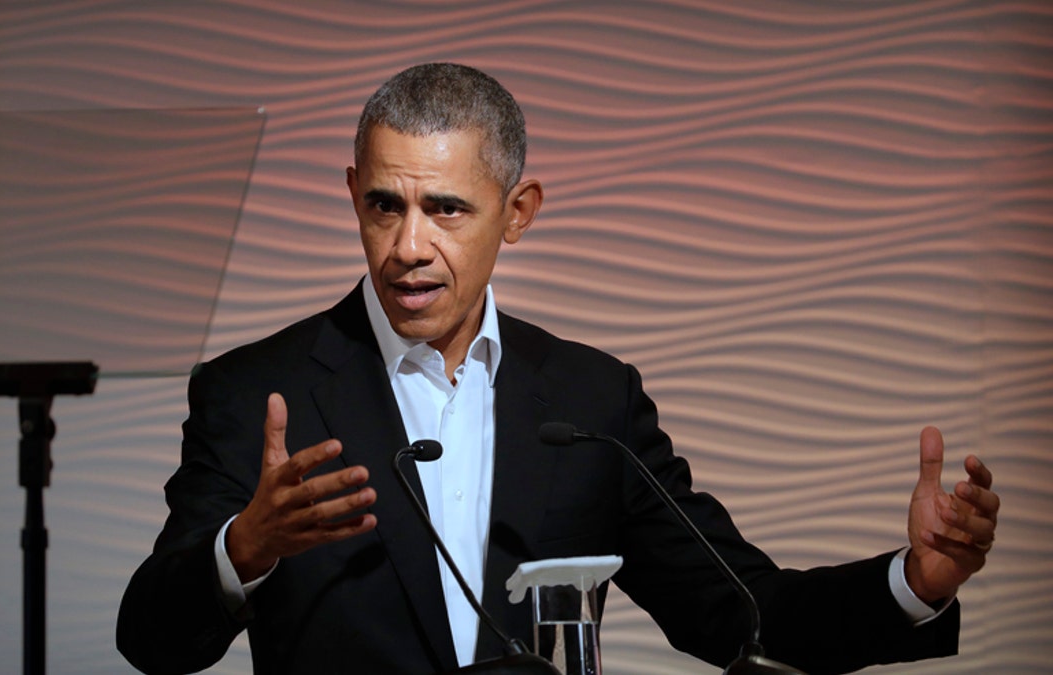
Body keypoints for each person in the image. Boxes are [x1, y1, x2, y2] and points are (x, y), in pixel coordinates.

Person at [117, 63, 999, 675]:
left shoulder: (590, 399)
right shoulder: (252, 390)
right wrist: (245, 547)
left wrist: (914, 583)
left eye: (447, 209)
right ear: (353, 194)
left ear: (519, 211)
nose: (409, 246)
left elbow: (739, 612)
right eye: (385, 205)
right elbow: (149, 638)